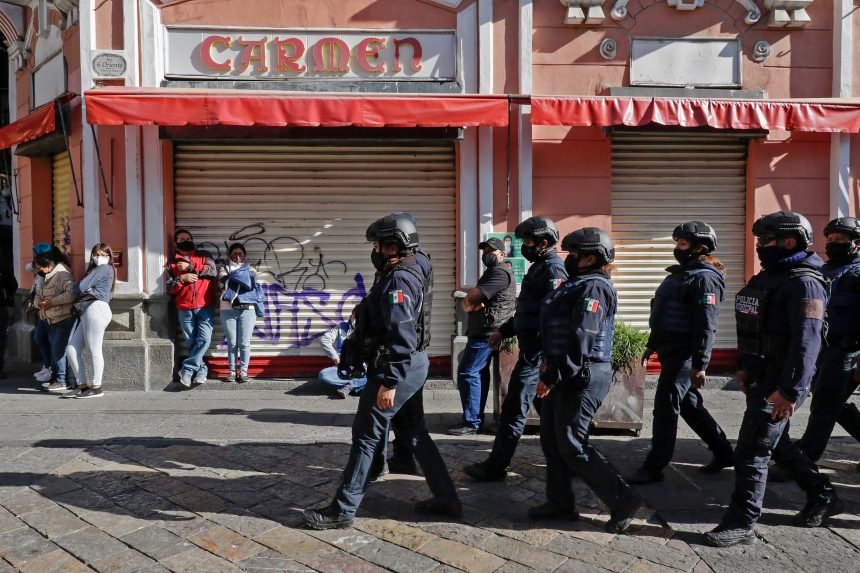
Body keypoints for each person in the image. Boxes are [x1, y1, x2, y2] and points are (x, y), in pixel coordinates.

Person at [303, 212, 460, 530]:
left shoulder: (398, 279)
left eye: (379, 245)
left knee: (366, 435)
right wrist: (365, 309)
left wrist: (389, 381)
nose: (375, 250)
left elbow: (401, 333)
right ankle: (446, 498)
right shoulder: (417, 263)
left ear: (395, 245)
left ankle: (343, 509)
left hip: (396, 367)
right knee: (414, 432)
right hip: (414, 363)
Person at [704, 211, 843, 548]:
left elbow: (807, 343)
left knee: (751, 452)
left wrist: (789, 392)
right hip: (761, 378)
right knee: (777, 444)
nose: (759, 246)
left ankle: (742, 523)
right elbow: (753, 327)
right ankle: (822, 494)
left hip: (781, 384)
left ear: (790, 241)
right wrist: (742, 366)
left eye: (765, 240)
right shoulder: (772, 277)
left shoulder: (804, 283)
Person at [531, 227, 642, 533]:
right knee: (552, 441)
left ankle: (624, 500)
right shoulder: (575, 283)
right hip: (565, 372)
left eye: (574, 254)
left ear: (591, 257)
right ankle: (559, 503)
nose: (569, 258)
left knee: (571, 443)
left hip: (582, 374)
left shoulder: (594, 288)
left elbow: (582, 339)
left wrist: (552, 376)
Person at [628, 221, 734, 484]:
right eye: (677, 243)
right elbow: (661, 313)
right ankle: (724, 452)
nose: (677, 248)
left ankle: (654, 467)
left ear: (699, 248)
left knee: (665, 407)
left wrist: (701, 363)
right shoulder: (679, 275)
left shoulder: (706, 278)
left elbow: (706, 324)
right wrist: (653, 344)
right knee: (689, 405)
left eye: (683, 243)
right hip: (669, 350)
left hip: (684, 354)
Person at [464, 216, 568, 482]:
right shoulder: (539, 268)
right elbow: (527, 312)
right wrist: (504, 330)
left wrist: (548, 359)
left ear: (544, 242)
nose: (524, 247)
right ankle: (572, 459)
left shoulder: (553, 271)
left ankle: (496, 466)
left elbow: (556, 319)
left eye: (528, 242)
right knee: (549, 412)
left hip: (537, 356)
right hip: (532, 352)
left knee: (513, 410)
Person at [785, 218, 860, 464]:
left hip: (846, 350)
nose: (833, 243)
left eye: (840, 239)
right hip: (823, 349)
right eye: (830, 239)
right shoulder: (824, 270)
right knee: (835, 403)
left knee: (824, 405)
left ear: (856, 243)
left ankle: (805, 460)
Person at [449, 237, 516, 435]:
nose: (486, 254)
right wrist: (472, 303)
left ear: (502, 254)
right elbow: (471, 301)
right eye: (484, 251)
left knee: (468, 373)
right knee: (479, 374)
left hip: (487, 333)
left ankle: (472, 422)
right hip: (487, 329)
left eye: (491, 251)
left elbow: (469, 299)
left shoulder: (499, 273)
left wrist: (471, 303)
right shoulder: (494, 272)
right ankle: (475, 418)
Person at [63, 243, 115, 398]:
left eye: (104, 255)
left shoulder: (104, 268)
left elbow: (80, 287)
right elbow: (83, 288)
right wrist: (87, 289)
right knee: (72, 349)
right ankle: (83, 386)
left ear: (109, 257)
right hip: (89, 310)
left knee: (94, 350)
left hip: (96, 309)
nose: (99, 257)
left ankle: (96, 388)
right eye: (96, 254)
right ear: (92, 256)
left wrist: (85, 288)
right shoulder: (96, 270)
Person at [167, 229, 217, 388]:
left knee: (204, 339)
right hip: (184, 307)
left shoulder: (204, 255)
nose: (186, 241)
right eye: (182, 239)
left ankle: (187, 370)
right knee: (191, 342)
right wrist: (181, 278)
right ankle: (202, 370)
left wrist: (190, 267)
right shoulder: (172, 263)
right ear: (176, 243)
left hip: (204, 306)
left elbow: (212, 271)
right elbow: (170, 288)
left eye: (188, 238)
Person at [33, 252, 79, 393]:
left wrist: (51, 302)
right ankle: (55, 379)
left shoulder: (62, 275)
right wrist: (39, 304)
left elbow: (72, 294)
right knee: (54, 349)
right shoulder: (44, 277)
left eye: (39, 267)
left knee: (59, 350)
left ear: (48, 265)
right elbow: (37, 295)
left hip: (64, 318)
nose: (37, 270)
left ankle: (62, 380)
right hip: (50, 318)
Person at [217, 243, 262, 384]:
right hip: (227, 309)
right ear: (229, 255)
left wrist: (234, 277)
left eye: (240, 253)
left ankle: (243, 371)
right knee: (232, 343)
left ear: (244, 255)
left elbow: (251, 282)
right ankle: (232, 371)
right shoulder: (224, 269)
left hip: (247, 309)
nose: (237, 256)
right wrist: (239, 277)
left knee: (244, 343)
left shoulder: (251, 268)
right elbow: (223, 283)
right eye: (234, 253)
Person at [318, 309, 368, 398]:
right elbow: (324, 340)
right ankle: (358, 386)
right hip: (345, 370)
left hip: (363, 370)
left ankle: (351, 386)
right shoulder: (342, 327)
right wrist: (335, 357)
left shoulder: (369, 330)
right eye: (356, 316)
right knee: (323, 375)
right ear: (351, 316)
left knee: (379, 376)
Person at [0, 259, 18, 380]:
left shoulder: (2, 265)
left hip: (0, 307)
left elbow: (12, 285)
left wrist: (5, 298)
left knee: (0, 339)